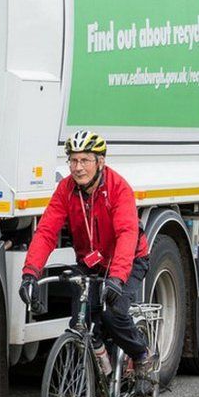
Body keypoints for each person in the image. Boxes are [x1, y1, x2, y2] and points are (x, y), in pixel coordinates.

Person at [19, 130, 155, 376]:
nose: (78, 167)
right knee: (81, 322)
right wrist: (30, 274)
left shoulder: (118, 188)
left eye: (85, 160)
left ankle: (141, 355)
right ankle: (101, 371)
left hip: (129, 260)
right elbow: (46, 231)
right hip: (92, 262)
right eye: (73, 160)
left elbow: (127, 234)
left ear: (100, 162)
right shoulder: (66, 189)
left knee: (113, 314)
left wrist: (117, 278)